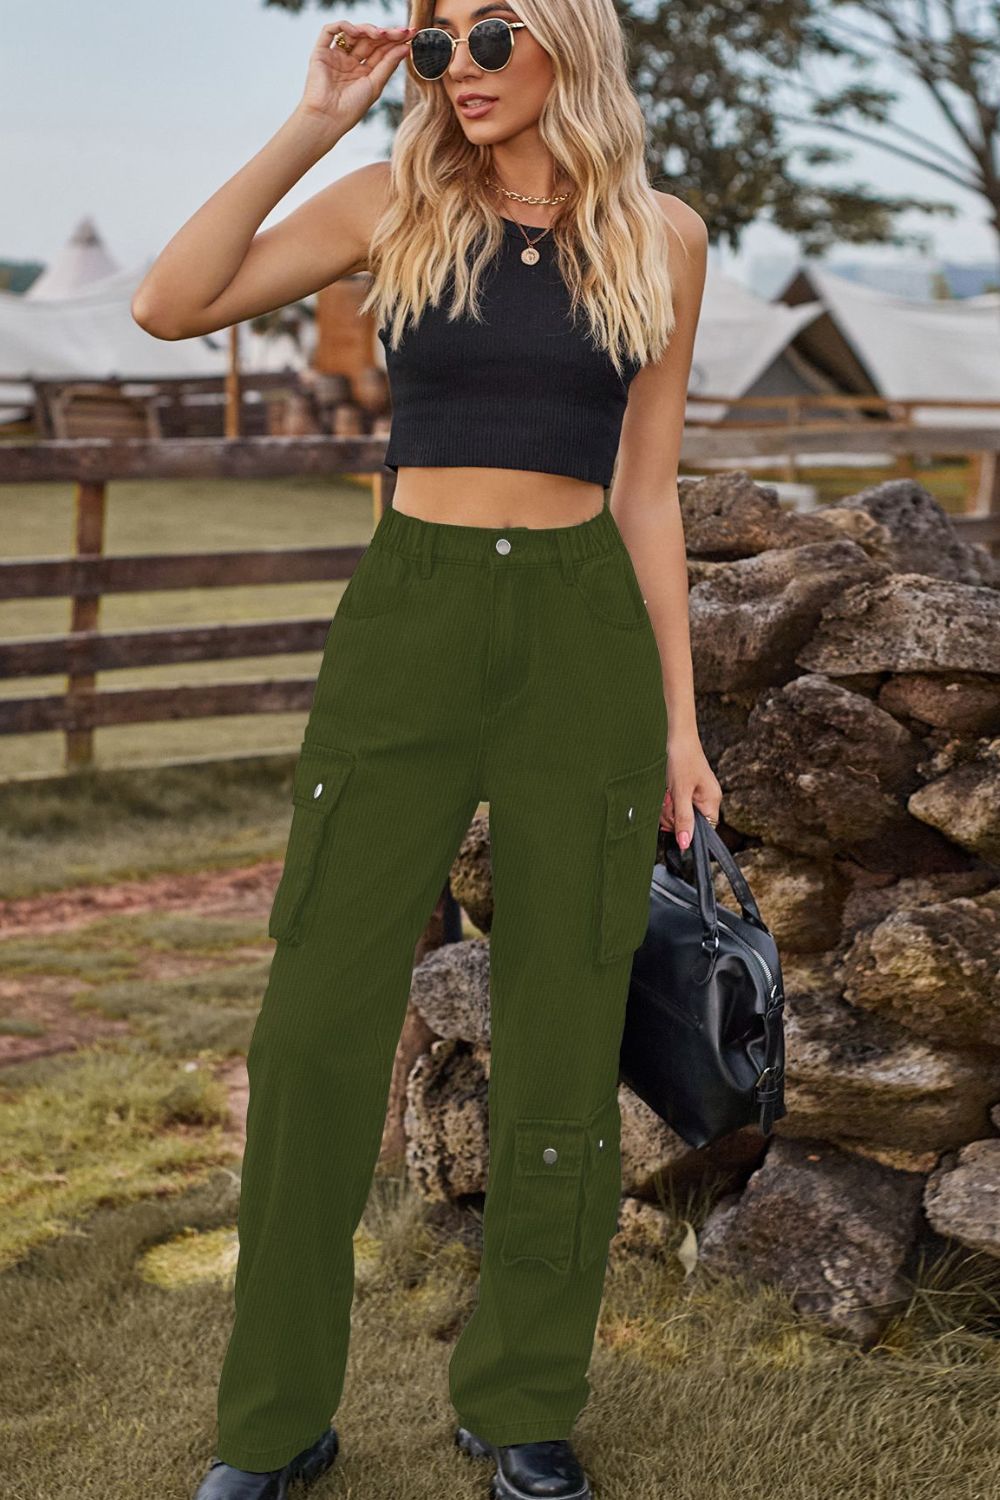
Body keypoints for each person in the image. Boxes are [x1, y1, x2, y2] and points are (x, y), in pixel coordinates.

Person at [133, 3, 723, 1496]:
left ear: (568, 45)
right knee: (314, 1020)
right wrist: (315, 119)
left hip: (582, 628)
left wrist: (681, 722)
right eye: (435, 42)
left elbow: (649, 493)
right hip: (408, 621)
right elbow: (168, 305)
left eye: (492, 35)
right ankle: (272, 1423)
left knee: (561, 1020)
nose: (459, 66)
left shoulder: (662, 237)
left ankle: (521, 1403)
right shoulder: (396, 201)